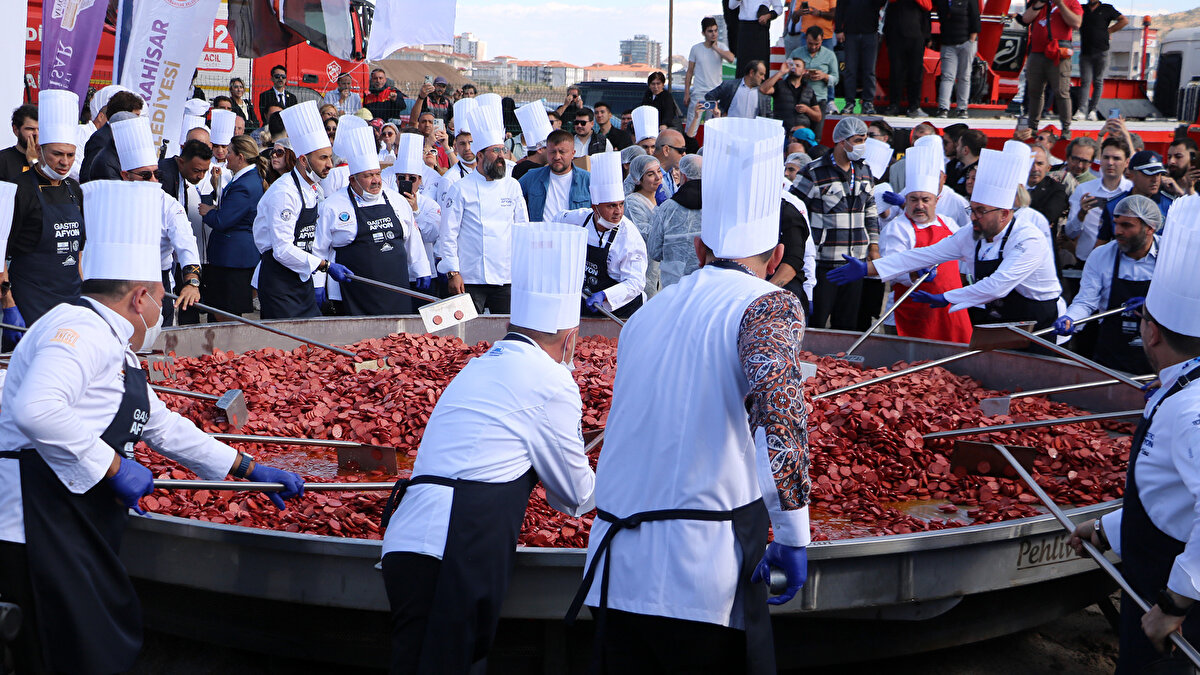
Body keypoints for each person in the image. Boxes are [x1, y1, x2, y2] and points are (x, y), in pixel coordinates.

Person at [0, 179, 304, 675]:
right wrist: (114, 466)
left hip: (72, 515)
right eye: (161, 295)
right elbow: (35, 410)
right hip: (35, 522)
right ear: (140, 296)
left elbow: (158, 423)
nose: (163, 307)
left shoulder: (113, 341)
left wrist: (245, 466)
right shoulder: (76, 332)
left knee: (97, 642)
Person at [569, 116, 809, 674]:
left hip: (614, 569)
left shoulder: (649, 314)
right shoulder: (766, 303)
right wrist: (794, 530)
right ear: (776, 261)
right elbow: (782, 415)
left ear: (699, 248)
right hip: (699, 578)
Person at [382, 221, 595, 673]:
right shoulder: (553, 379)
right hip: (455, 548)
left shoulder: (480, 364)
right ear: (570, 337)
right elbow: (575, 496)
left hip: (406, 540)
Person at [1067, 195, 1200, 674]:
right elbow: (1170, 496)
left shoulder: (1190, 408)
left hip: (1175, 604)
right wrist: (1107, 528)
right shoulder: (1179, 389)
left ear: (1153, 334)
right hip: (1152, 579)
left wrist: (1175, 604)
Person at [829, 148, 1063, 330]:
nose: (973, 217)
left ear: (1004, 214)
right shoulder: (974, 233)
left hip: (1036, 317)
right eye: (972, 210)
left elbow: (998, 286)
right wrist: (870, 268)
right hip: (999, 316)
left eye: (981, 211)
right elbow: (925, 254)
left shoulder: (1028, 239)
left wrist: (947, 297)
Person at [315, 118, 430, 316]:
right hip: (354, 293)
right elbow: (319, 248)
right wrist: (318, 283)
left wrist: (422, 268)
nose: (376, 180)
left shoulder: (397, 201)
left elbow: (413, 238)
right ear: (353, 179)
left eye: (377, 174)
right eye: (368, 176)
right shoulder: (332, 206)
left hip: (397, 289)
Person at [253, 101, 350, 319]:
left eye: (330, 157)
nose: (330, 165)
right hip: (279, 283)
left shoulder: (312, 188)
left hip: (301, 279)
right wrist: (324, 265)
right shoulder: (285, 193)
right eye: (323, 158)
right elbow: (282, 250)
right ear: (304, 160)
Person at [110, 115, 203, 327]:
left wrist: (191, 283)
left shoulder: (168, 205)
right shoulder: (111, 200)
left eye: (156, 174)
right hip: (118, 284)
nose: (153, 181)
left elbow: (186, 244)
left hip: (157, 283)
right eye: (145, 175)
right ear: (126, 175)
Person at [437, 99, 529, 314]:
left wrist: (523, 270)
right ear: (480, 155)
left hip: (506, 276)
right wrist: (453, 272)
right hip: (469, 277)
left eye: (502, 150)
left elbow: (522, 230)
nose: (501, 157)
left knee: (504, 329)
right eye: (495, 151)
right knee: (466, 333)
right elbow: (448, 234)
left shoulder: (512, 186)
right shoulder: (460, 188)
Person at [878, 143, 973, 342]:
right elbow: (891, 267)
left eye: (925, 199)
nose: (919, 205)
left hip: (949, 312)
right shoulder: (898, 227)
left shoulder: (948, 223)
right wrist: (913, 274)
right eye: (913, 199)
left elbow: (968, 254)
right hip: (911, 313)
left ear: (936, 201)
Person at [1053, 194, 1158, 374]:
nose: (1117, 231)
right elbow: (1086, 301)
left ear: (1149, 228)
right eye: (1116, 223)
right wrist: (1071, 318)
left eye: (1127, 225)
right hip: (1112, 356)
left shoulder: (1170, 256)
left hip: (1157, 358)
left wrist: (1154, 305)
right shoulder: (1101, 256)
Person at [792, 117, 879, 330]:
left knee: (846, 325)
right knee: (816, 322)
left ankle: (840, 363)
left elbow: (870, 210)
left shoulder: (864, 170)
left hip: (855, 263)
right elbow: (793, 210)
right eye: (858, 140)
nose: (862, 146)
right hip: (824, 263)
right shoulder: (814, 172)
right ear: (842, 141)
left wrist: (874, 246)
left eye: (864, 140)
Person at [8, 90, 85, 326]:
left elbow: (79, 251)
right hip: (28, 299)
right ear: (39, 151)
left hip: (70, 298)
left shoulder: (74, 188)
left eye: (70, 155)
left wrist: (84, 296)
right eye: (57, 154)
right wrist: (8, 304)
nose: (65, 162)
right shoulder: (19, 189)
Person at [554, 151, 647, 319]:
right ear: (595, 207)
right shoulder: (579, 219)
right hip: (587, 298)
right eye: (611, 206)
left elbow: (636, 283)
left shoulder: (630, 237)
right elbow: (556, 221)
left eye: (621, 205)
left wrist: (605, 295)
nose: (618, 212)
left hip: (623, 308)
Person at [196, 135, 264, 319]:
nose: (225, 155)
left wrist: (208, 211)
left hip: (232, 259)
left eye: (230, 152)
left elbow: (223, 220)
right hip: (232, 257)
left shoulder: (245, 184)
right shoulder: (245, 179)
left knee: (224, 313)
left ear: (241, 157)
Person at [383, 132, 443, 297]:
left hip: (425, 272)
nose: (407, 181)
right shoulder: (386, 203)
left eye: (412, 178)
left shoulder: (430, 205)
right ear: (396, 180)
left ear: (421, 180)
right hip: (396, 273)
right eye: (402, 177)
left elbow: (432, 235)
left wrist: (415, 211)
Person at [1020, 0, 1083, 138]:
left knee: (1061, 91)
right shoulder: (1038, 2)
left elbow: (1076, 23)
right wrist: (1039, 4)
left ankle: (1066, 128)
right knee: (1035, 91)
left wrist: (1060, 4)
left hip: (1059, 53)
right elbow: (1026, 19)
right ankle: (1033, 126)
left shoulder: (1072, 3)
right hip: (1037, 52)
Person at [1065, 136, 1133, 263]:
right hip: (1086, 260)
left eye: (1116, 158)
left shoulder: (1132, 190)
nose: (1110, 162)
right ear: (1100, 159)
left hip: (1123, 260)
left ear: (1127, 162)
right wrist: (1081, 214)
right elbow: (1070, 233)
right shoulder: (1084, 189)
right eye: (1106, 157)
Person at [1096, 150, 1175, 247]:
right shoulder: (1113, 205)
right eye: (1149, 174)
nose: (1155, 179)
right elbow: (1101, 244)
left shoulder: (1170, 206)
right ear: (1132, 174)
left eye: (1158, 174)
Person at [647, 154, 703, 289]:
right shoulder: (717, 207)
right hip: (706, 286)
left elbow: (654, 251)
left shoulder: (667, 208)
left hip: (674, 285)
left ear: (683, 176)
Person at [519, 128, 591, 222]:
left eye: (562, 152)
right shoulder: (532, 177)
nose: (557, 157)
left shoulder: (587, 180)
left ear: (573, 153)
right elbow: (512, 196)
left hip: (573, 235)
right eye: (552, 152)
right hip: (541, 234)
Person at [1076, 0, 1127, 121]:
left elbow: (1124, 20)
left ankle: (1093, 110)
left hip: (1102, 51)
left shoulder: (1107, 8)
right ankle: (1082, 111)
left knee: (1098, 81)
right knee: (1085, 82)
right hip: (1086, 52)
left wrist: (1109, 31)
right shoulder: (1081, 8)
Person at [80, 92, 144, 183]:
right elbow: (89, 176)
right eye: (136, 115)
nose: (138, 121)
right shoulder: (101, 139)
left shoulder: (123, 137)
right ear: (122, 114)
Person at [883, 0, 931, 117]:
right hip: (896, 37)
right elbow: (888, 12)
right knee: (896, 73)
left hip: (916, 38)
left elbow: (927, 10)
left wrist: (927, 36)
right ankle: (894, 105)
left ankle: (914, 106)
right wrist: (888, 35)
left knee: (915, 74)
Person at [836, 0, 885, 115]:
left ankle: (868, 102)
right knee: (850, 70)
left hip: (870, 32)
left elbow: (881, 3)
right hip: (850, 32)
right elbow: (840, 7)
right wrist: (838, 29)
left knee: (869, 70)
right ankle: (849, 102)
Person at [686, 18, 736, 128]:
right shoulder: (696, 48)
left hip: (715, 92)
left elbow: (731, 58)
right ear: (703, 33)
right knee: (692, 125)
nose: (713, 34)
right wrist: (686, 93)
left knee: (712, 126)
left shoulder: (721, 47)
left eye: (715, 30)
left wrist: (715, 48)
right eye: (710, 31)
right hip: (699, 92)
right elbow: (689, 72)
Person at [935, 0, 981, 118]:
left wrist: (971, 40)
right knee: (947, 76)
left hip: (966, 42)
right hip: (948, 43)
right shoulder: (943, 3)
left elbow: (975, 17)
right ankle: (943, 107)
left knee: (964, 76)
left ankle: (962, 108)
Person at [624, 155, 662, 297]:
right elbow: (644, 234)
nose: (658, 177)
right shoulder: (633, 202)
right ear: (637, 179)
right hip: (645, 268)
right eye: (651, 174)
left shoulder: (663, 197)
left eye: (659, 171)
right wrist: (661, 210)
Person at [760, 57, 823, 133]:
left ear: (804, 71)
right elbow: (763, 89)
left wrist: (807, 110)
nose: (794, 67)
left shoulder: (809, 90)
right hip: (782, 130)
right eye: (792, 65)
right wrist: (781, 72)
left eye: (798, 65)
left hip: (801, 133)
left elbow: (818, 117)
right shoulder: (780, 85)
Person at [789, 27, 839, 114]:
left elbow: (836, 79)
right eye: (810, 43)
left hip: (820, 99)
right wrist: (801, 74)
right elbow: (785, 75)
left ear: (822, 40)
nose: (813, 47)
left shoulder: (829, 55)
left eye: (817, 44)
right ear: (806, 39)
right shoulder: (796, 53)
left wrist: (824, 76)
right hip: (798, 99)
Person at [705, 60, 772, 121]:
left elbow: (768, 115)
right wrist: (718, 110)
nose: (763, 78)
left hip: (752, 132)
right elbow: (710, 96)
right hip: (730, 130)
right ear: (751, 73)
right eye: (761, 74)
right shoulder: (730, 86)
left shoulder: (763, 93)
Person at [730, 0, 782, 77]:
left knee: (761, 63)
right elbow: (731, 5)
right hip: (744, 27)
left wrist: (768, 16)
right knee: (743, 64)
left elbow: (779, 8)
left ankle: (761, 87)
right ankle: (742, 87)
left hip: (760, 27)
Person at [513, 100, 554, 181]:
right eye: (552, 149)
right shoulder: (539, 171)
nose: (556, 154)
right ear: (540, 149)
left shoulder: (518, 165)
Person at [0, 104, 37, 181]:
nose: (36, 133)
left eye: (39, 129)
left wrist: (33, 161)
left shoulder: (50, 158)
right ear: (16, 130)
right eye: (30, 129)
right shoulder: (3, 160)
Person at [950, 129, 986, 197]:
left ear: (965, 150)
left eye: (958, 145)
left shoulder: (979, 174)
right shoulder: (953, 166)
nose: (956, 149)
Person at [653, 129, 688, 200]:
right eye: (681, 150)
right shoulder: (645, 172)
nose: (684, 154)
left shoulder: (668, 172)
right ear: (666, 150)